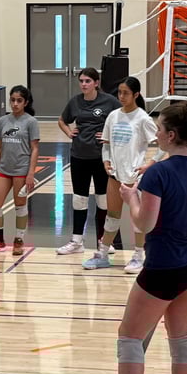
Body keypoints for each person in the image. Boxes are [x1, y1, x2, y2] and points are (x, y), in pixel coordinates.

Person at [84, 101, 187, 374]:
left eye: (159, 129)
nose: (156, 134)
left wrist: (131, 197)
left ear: (171, 135)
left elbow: (145, 223)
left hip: (165, 265)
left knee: (130, 337)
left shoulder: (158, 173)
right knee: (181, 336)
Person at [83, 77, 158, 274]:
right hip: (115, 176)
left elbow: (162, 145)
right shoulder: (113, 116)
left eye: (126, 93)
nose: (121, 96)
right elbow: (106, 144)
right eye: (119, 92)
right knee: (112, 216)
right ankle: (102, 255)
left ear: (136, 95)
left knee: (138, 219)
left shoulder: (143, 118)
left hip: (134, 178)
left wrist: (149, 165)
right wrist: (106, 161)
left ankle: (138, 256)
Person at [56, 68, 122, 255]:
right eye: (82, 81)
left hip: (101, 158)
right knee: (79, 199)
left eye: (88, 81)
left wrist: (110, 136)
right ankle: (77, 241)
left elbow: (123, 120)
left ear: (96, 83)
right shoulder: (75, 102)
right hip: (79, 156)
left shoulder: (109, 101)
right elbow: (62, 120)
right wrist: (69, 132)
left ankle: (103, 241)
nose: (84, 84)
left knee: (102, 200)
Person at [0, 85, 40, 255]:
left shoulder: (31, 122)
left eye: (19, 100)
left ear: (26, 102)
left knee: (20, 205)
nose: (15, 104)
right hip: (4, 169)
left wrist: (31, 173)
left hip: (21, 169)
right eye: (12, 100)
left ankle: (19, 240)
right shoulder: (2, 121)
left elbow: (35, 149)